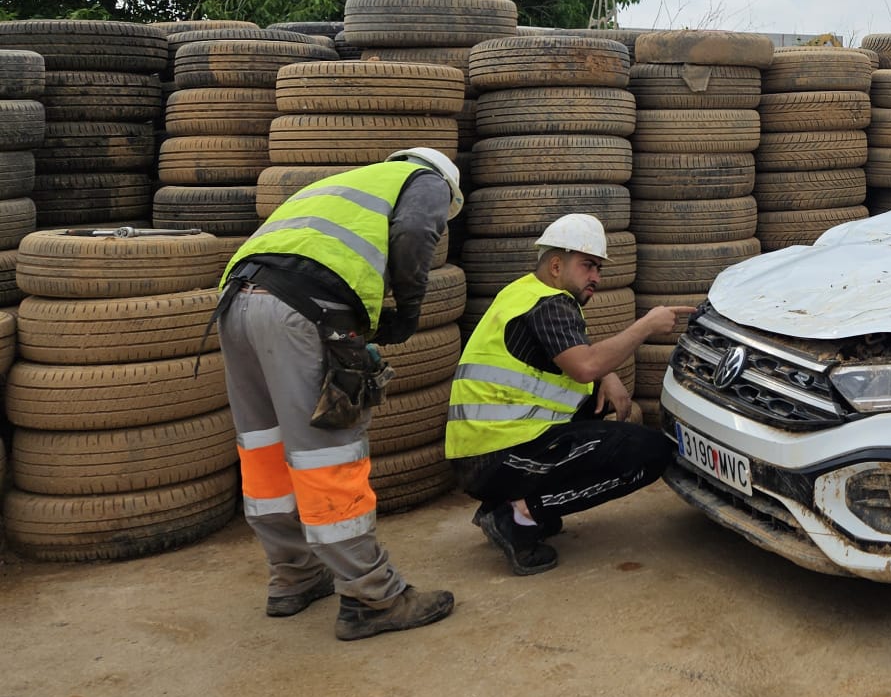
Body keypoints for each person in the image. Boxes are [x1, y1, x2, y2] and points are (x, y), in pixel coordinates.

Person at [215, 146, 461, 641]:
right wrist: (408, 311)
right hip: (302, 311)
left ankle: (294, 576)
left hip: (236, 304)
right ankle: (374, 596)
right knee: (326, 454)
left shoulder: (345, 184)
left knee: (264, 449)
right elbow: (415, 231)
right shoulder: (426, 179)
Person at [447, 212, 688, 575]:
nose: (596, 278)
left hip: (480, 454)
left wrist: (606, 375)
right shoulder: (551, 304)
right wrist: (646, 326)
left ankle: (512, 503)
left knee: (596, 402)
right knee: (651, 452)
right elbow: (584, 366)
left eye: (599, 269)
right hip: (499, 455)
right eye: (588, 266)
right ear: (556, 265)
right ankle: (519, 515)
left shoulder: (523, 292)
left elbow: (575, 360)